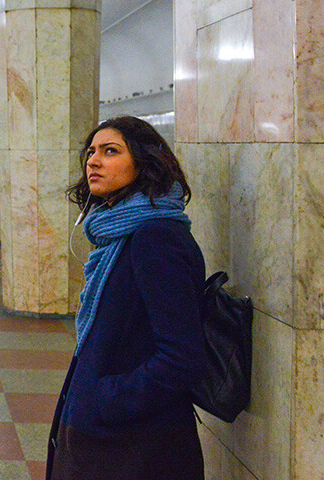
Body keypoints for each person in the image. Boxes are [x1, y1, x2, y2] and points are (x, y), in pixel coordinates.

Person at [47, 115, 206, 480]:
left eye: (110, 151)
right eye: (91, 152)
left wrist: (105, 399)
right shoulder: (118, 235)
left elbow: (182, 356)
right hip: (113, 436)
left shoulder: (155, 238)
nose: (93, 161)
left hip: (133, 446)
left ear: (145, 162)